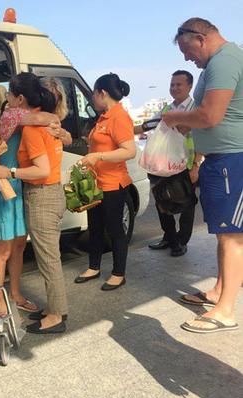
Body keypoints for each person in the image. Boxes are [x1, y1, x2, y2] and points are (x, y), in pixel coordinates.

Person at [163, 18, 243, 333]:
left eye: (188, 51)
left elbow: (210, 114)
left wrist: (174, 117)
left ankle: (225, 311)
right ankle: (219, 291)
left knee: (232, 236)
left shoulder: (225, 60)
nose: (187, 58)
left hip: (233, 159)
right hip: (220, 159)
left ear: (200, 38)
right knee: (224, 234)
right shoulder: (216, 63)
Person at [0, 77, 71, 317]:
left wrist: (61, 131)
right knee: (3, 250)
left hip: (23, 186)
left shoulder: (29, 118)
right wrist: (56, 120)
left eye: (8, 94)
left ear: (20, 98)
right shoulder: (11, 114)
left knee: (19, 247)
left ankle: (15, 294)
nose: (6, 98)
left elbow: (62, 134)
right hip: (7, 186)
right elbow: (42, 119)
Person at [75, 73, 136, 291]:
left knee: (114, 230)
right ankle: (94, 267)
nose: (92, 97)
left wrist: (98, 156)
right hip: (96, 183)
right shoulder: (104, 117)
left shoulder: (119, 116)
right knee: (95, 228)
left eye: (93, 93)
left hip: (113, 184)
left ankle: (118, 274)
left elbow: (129, 151)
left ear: (103, 93)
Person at [135, 70, 202, 257]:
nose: (174, 88)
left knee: (187, 204)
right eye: (172, 84)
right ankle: (169, 237)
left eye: (179, 84)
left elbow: (202, 137)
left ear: (190, 86)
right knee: (162, 201)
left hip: (187, 164)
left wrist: (196, 165)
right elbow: (149, 125)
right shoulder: (166, 110)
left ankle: (181, 241)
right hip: (165, 166)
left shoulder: (196, 109)